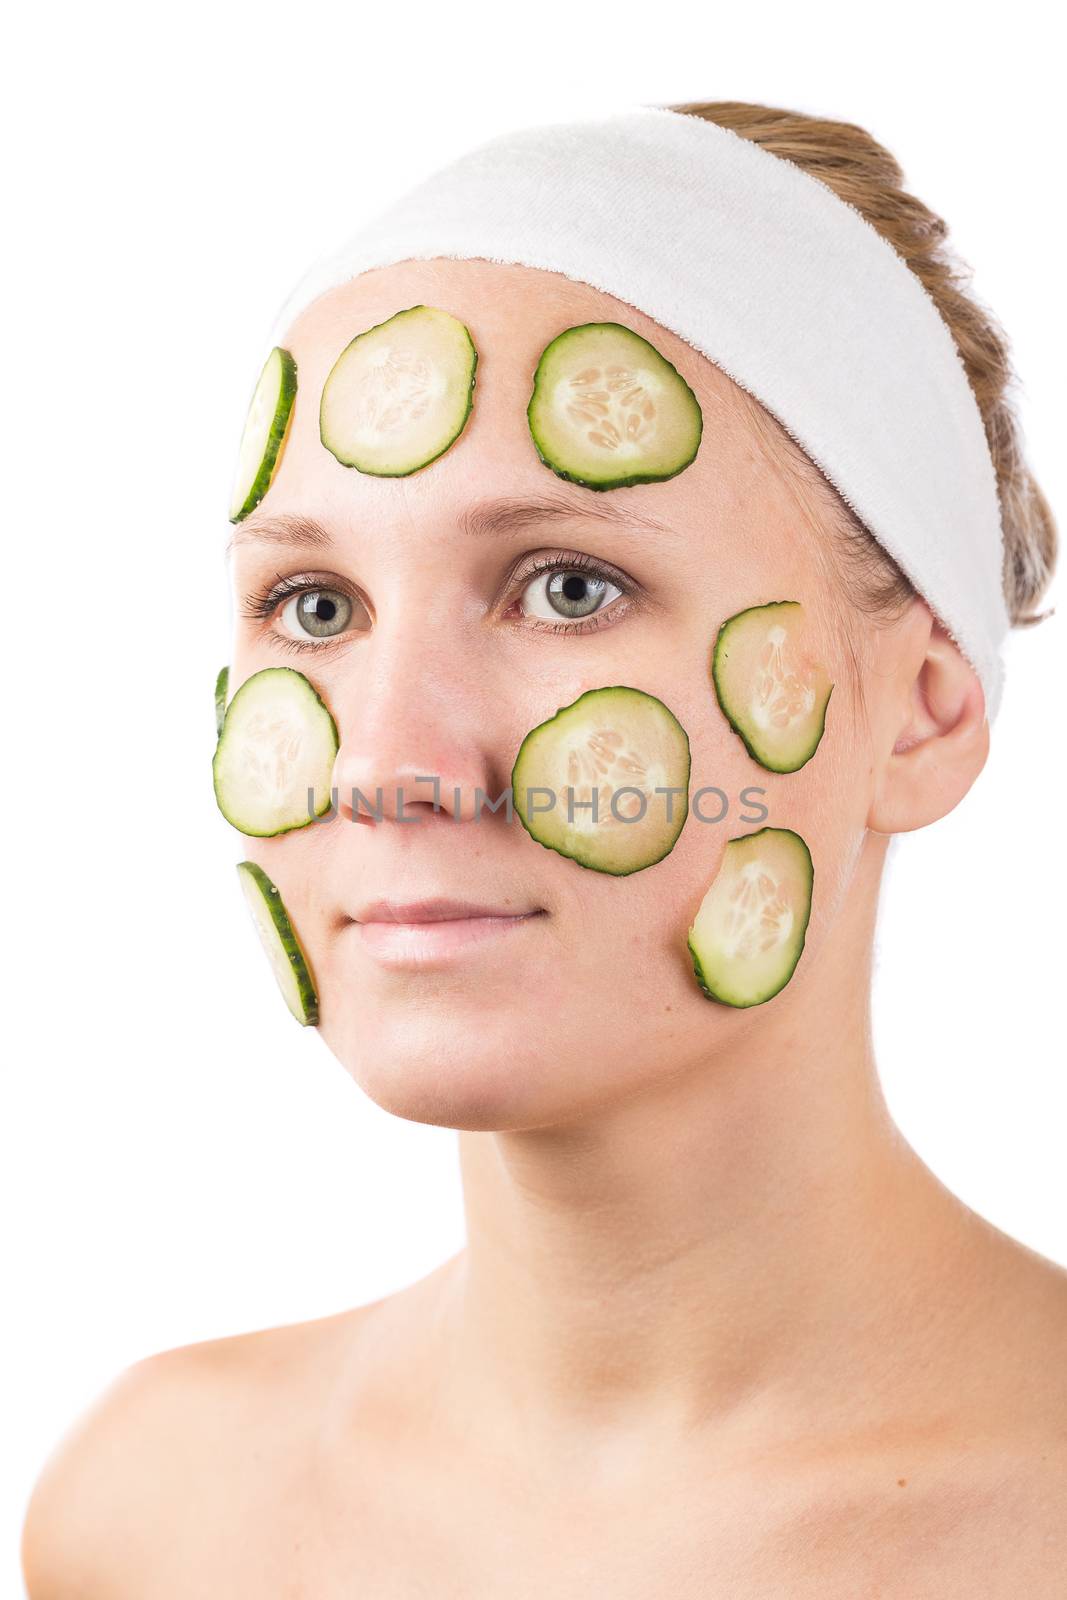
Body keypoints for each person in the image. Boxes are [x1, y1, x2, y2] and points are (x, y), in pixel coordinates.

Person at [21, 100, 1065, 1596]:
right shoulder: (149, 1519)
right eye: (313, 607)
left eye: (566, 587)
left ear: (922, 709)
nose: (385, 763)